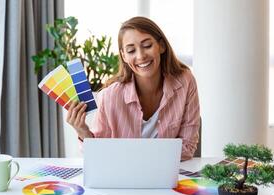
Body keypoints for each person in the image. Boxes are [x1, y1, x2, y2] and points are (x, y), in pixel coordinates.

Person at [66, 16, 200, 161]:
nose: (141, 56)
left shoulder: (185, 81)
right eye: (131, 51)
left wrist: (135, 158)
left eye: (147, 46)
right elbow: (99, 155)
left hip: (169, 176)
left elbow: (187, 147)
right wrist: (82, 130)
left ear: (161, 46)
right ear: (123, 56)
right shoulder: (109, 96)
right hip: (124, 178)